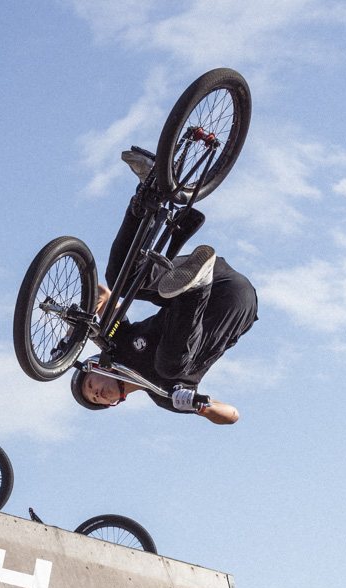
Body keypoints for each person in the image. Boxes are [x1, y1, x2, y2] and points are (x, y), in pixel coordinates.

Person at [71, 151, 257, 426]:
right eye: (99, 400)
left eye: (90, 387)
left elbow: (102, 296)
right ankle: (196, 286)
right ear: (115, 402)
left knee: (122, 278)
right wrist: (201, 405)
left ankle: (150, 193)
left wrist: (74, 321)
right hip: (233, 303)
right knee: (169, 368)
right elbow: (232, 415)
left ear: (94, 366)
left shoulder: (116, 343)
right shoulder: (165, 395)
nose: (97, 393)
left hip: (212, 272)